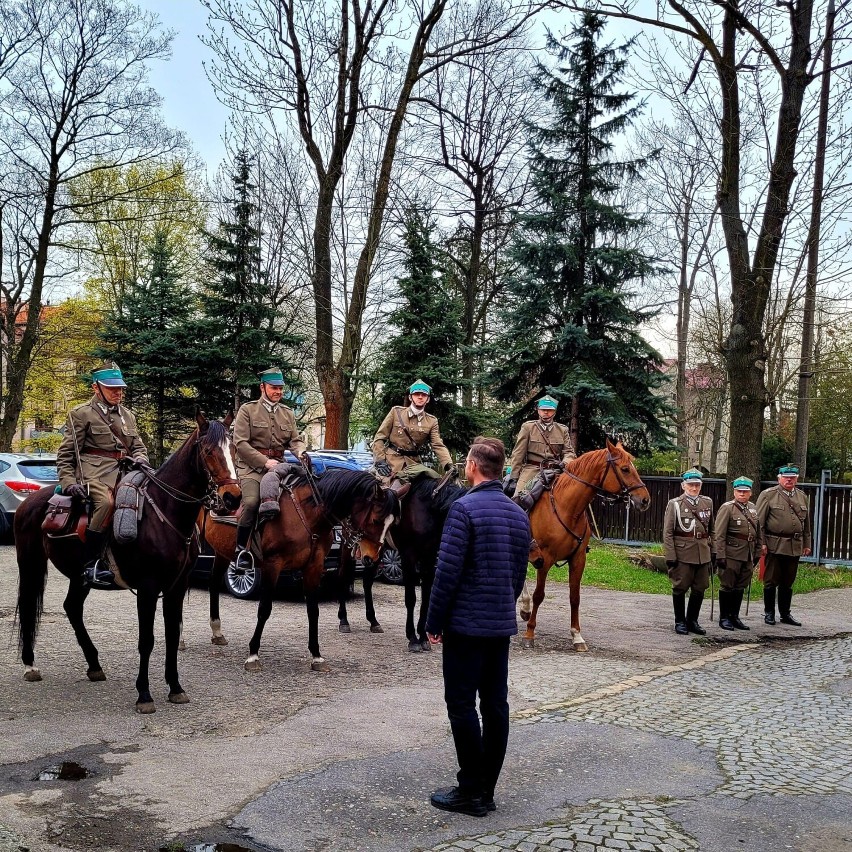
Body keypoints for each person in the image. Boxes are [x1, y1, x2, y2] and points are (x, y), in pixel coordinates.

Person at [425, 437, 531, 817]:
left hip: (466, 627)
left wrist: (433, 620)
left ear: (472, 465)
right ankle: (486, 789)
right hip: (498, 627)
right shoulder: (518, 514)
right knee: (495, 705)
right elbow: (518, 575)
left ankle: (471, 790)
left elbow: (447, 572)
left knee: (461, 705)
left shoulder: (464, 509)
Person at [56, 362, 149, 588]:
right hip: (93, 473)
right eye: (112, 388)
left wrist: (141, 459)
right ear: (96, 388)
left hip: (125, 471)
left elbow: (138, 446)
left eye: (121, 388)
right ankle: (91, 563)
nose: (119, 392)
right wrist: (68, 482)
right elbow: (66, 454)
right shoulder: (80, 414)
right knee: (107, 503)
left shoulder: (128, 416)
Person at [233, 367, 308, 568]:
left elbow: (295, 440)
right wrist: (264, 462)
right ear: (262, 387)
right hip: (251, 468)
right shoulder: (247, 410)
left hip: (279, 467)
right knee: (251, 502)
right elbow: (240, 444)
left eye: (281, 388)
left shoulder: (287, 413)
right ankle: (241, 550)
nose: (278, 392)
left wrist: (300, 452)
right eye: (274, 388)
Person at [755, 464, 812, 626]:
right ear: (779, 478)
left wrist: (806, 543)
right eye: (786, 477)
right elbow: (759, 523)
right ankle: (769, 613)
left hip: (794, 544)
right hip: (774, 543)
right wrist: (762, 543)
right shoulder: (768, 495)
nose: (789, 480)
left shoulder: (802, 496)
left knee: (788, 581)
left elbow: (806, 524)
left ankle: (785, 614)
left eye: (792, 478)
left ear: (797, 479)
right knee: (771, 580)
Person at [662, 468, 715, 636]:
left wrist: (713, 551)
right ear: (683, 485)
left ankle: (692, 620)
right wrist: (670, 556)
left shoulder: (707, 503)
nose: (694, 488)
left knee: (700, 588)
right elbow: (668, 533)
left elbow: (712, 529)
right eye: (691, 485)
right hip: (683, 552)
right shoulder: (675, 504)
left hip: (702, 553)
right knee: (680, 587)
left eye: (697, 485)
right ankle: (680, 621)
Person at [372, 380, 454, 481]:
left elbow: (438, 445)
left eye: (424, 395)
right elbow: (379, 438)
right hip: (391, 463)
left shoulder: (431, 421)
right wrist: (380, 461)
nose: (420, 397)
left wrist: (449, 465)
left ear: (427, 399)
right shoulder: (396, 412)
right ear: (411, 397)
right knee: (383, 491)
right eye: (417, 394)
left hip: (414, 465)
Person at [713, 477, 763, 631]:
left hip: (747, 553)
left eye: (745, 491)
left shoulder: (753, 509)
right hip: (731, 553)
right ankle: (724, 617)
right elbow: (719, 534)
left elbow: (758, 533)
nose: (742, 494)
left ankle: (735, 616)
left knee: (741, 585)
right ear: (734, 491)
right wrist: (720, 555)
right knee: (727, 585)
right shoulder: (727, 508)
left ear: (750, 492)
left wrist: (757, 552)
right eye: (739, 491)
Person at [504, 395, 576, 497]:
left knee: (572, 497)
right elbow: (518, 454)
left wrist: (565, 462)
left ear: (554, 412)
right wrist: (514, 478)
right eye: (543, 410)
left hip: (555, 471)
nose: (546, 412)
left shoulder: (562, 430)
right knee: (518, 499)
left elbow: (569, 452)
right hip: (531, 471)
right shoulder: (528, 427)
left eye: (549, 410)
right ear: (538, 410)